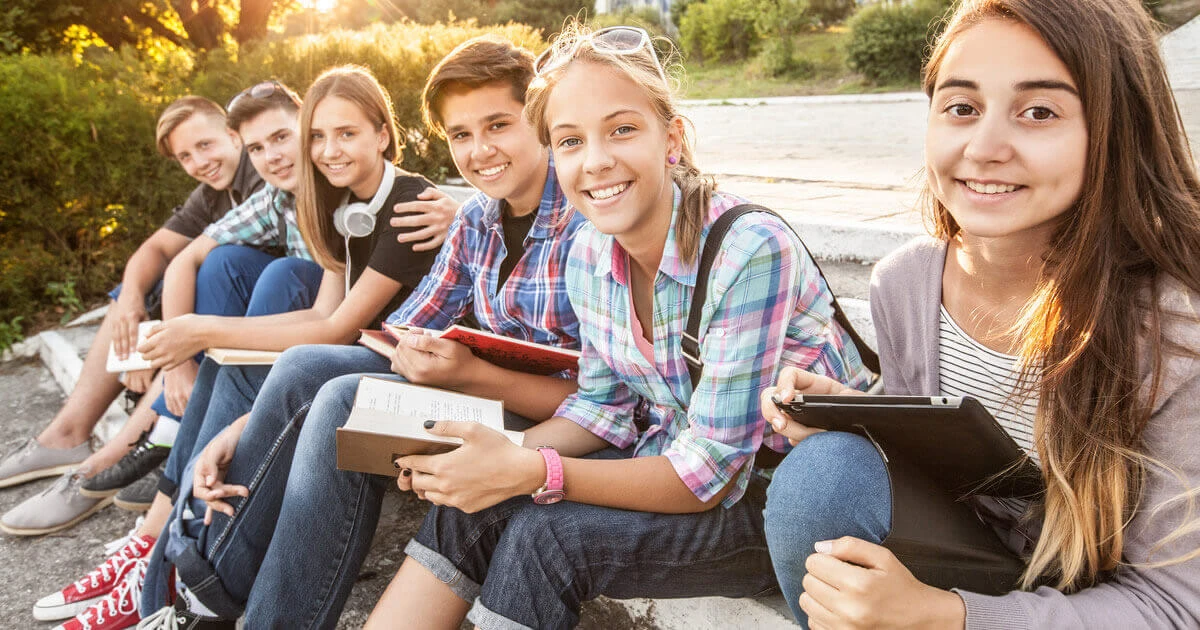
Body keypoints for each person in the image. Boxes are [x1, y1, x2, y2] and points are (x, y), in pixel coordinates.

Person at [362, 24, 871, 630]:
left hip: (781, 497)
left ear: (671, 139)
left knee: (545, 537)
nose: (596, 161)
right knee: (475, 504)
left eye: (622, 130)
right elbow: (601, 407)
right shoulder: (589, 254)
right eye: (571, 141)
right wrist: (496, 456)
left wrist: (531, 469)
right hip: (676, 458)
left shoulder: (747, 248)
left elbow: (709, 474)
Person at [760, 0, 1200, 627]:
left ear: (1115, 130)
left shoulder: (1175, 326)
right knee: (823, 475)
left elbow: (1176, 604)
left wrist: (947, 618)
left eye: (1039, 112)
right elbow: (946, 466)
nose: (985, 147)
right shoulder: (907, 284)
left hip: (1117, 602)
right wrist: (861, 414)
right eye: (961, 107)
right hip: (985, 557)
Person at [132, 36, 589, 628]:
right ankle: (204, 596)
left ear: (539, 120)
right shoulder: (476, 217)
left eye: (498, 125)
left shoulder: (583, 216)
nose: (480, 151)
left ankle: (216, 602)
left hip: (551, 422)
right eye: (461, 135)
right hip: (475, 386)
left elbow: (606, 399)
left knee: (343, 398)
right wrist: (249, 426)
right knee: (302, 370)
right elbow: (399, 329)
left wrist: (470, 373)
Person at [37, 69, 452, 630]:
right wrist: (208, 353)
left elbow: (334, 330)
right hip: (363, 362)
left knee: (283, 359)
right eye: (318, 138)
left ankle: (179, 591)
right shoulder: (339, 208)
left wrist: (204, 332)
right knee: (228, 368)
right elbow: (321, 316)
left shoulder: (407, 203)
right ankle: (164, 573)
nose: (328, 151)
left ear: (382, 133)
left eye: (346, 134)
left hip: (423, 374)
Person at [0, 96, 265, 537]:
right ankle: (68, 433)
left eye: (205, 145)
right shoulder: (214, 191)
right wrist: (131, 304)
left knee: (217, 268)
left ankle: (114, 457)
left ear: (233, 135)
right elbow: (158, 250)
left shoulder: (265, 178)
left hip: (257, 320)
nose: (199, 162)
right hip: (218, 318)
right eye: (185, 156)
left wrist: (172, 357)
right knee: (133, 290)